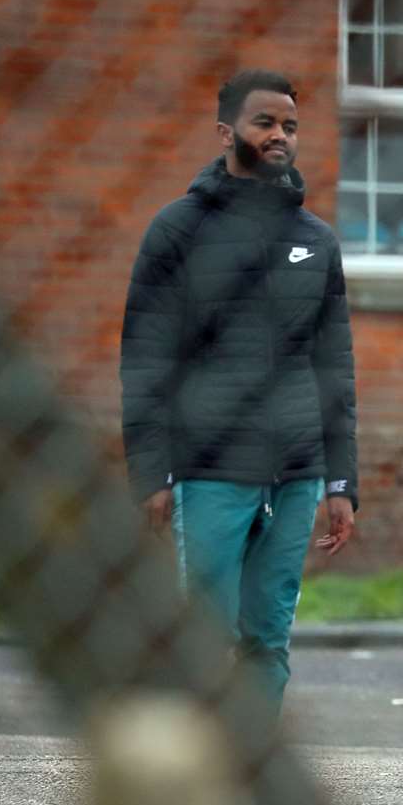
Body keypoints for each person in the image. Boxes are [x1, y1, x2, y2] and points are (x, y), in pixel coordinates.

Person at [120, 69, 358, 716]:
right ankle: (197, 777)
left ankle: (253, 775)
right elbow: (144, 359)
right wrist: (151, 469)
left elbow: (334, 364)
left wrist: (341, 482)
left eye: (289, 125)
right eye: (265, 122)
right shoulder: (177, 231)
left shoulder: (316, 241)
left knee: (267, 641)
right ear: (227, 131)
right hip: (210, 468)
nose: (280, 135)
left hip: (299, 472)